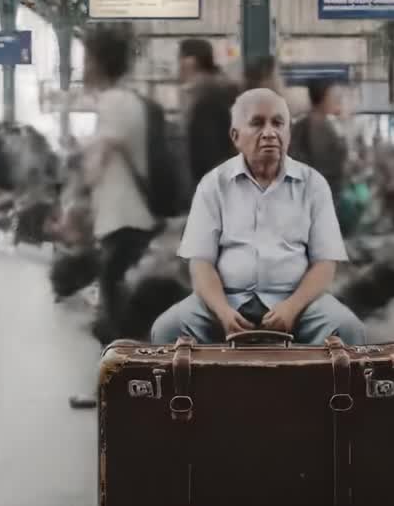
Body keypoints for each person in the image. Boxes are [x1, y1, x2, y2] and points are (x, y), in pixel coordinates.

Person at [150, 88, 365, 346]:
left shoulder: (313, 184)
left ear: (288, 133)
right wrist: (223, 312)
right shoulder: (214, 184)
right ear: (236, 136)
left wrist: (291, 308)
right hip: (226, 300)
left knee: (347, 328)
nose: (269, 133)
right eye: (257, 123)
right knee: (167, 329)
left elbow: (325, 263)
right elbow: (201, 263)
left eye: (278, 123)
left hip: (298, 302)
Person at [82, 26, 158, 344]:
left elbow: (97, 163)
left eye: (86, 59)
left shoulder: (112, 101)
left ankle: (125, 383)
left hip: (124, 217)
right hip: (129, 217)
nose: (83, 67)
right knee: (113, 307)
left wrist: (85, 181)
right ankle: (122, 380)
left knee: (115, 314)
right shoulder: (129, 100)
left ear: (98, 62)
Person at [289, 78, 349, 227]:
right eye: (333, 96)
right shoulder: (321, 126)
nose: (335, 100)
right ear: (324, 97)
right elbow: (321, 165)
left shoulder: (300, 125)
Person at [180, 39, 239, 184]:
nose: (178, 68)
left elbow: (208, 149)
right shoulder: (219, 89)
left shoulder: (206, 97)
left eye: (180, 59)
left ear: (190, 62)